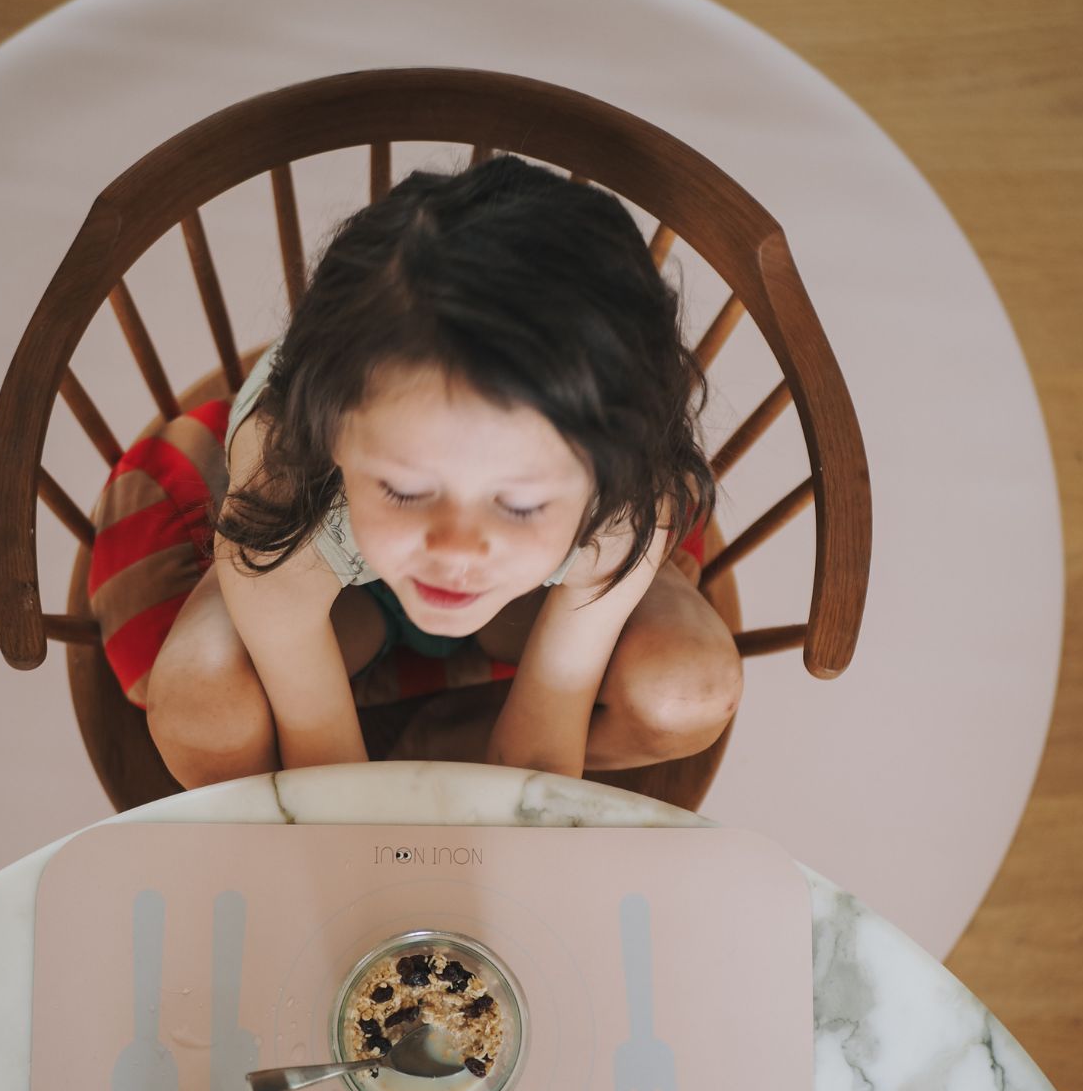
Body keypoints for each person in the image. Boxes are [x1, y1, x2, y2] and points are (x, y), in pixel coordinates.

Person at [146, 154, 743, 786]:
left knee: (690, 691)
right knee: (199, 708)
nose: (456, 551)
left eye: (518, 504)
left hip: (526, 595)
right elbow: (325, 769)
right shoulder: (284, 477)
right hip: (323, 561)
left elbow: (544, 749)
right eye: (405, 489)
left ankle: (459, 739)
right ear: (334, 436)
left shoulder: (618, 504)